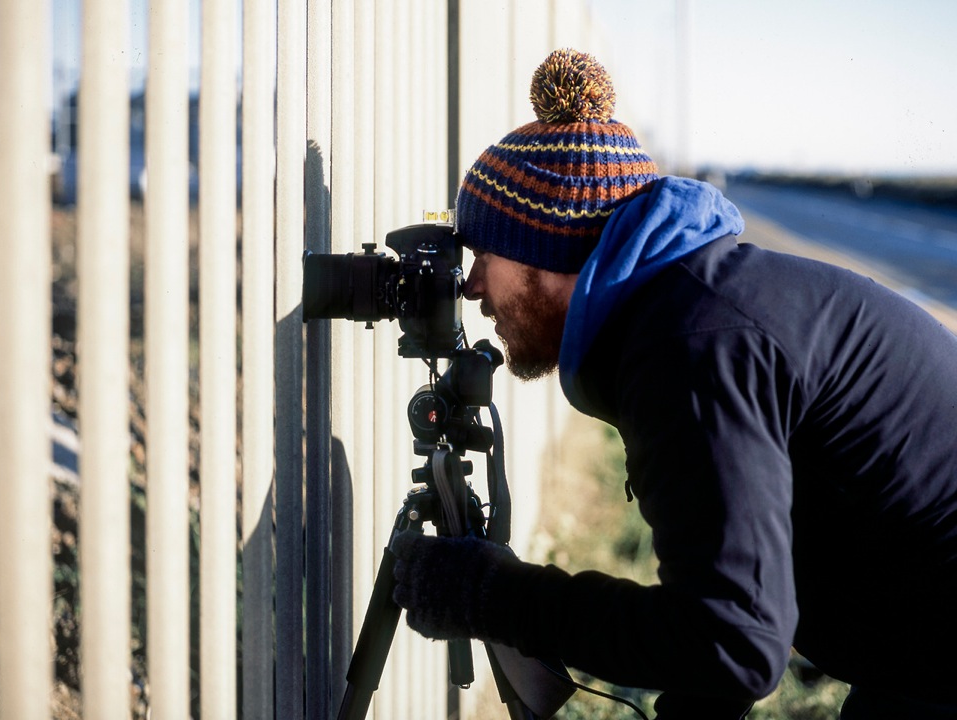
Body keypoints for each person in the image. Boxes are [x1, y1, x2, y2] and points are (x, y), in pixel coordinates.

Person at [390, 48, 957, 718]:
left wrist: (496, 595)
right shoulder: (683, 314)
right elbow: (731, 602)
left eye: (486, 253)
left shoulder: (691, 346)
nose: (473, 284)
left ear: (550, 249)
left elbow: (731, 643)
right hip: (920, 644)